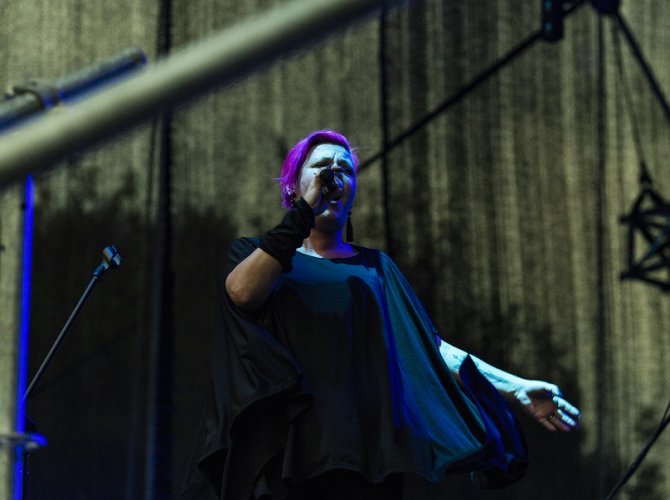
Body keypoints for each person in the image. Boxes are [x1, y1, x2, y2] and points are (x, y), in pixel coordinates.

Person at [182, 130, 580, 500]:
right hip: (286, 454)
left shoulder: (376, 269)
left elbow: (429, 350)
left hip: (364, 457)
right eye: (321, 167)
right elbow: (242, 292)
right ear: (292, 186)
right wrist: (304, 212)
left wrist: (516, 387)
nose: (333, 175)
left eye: (344, 169)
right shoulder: (258, 255)